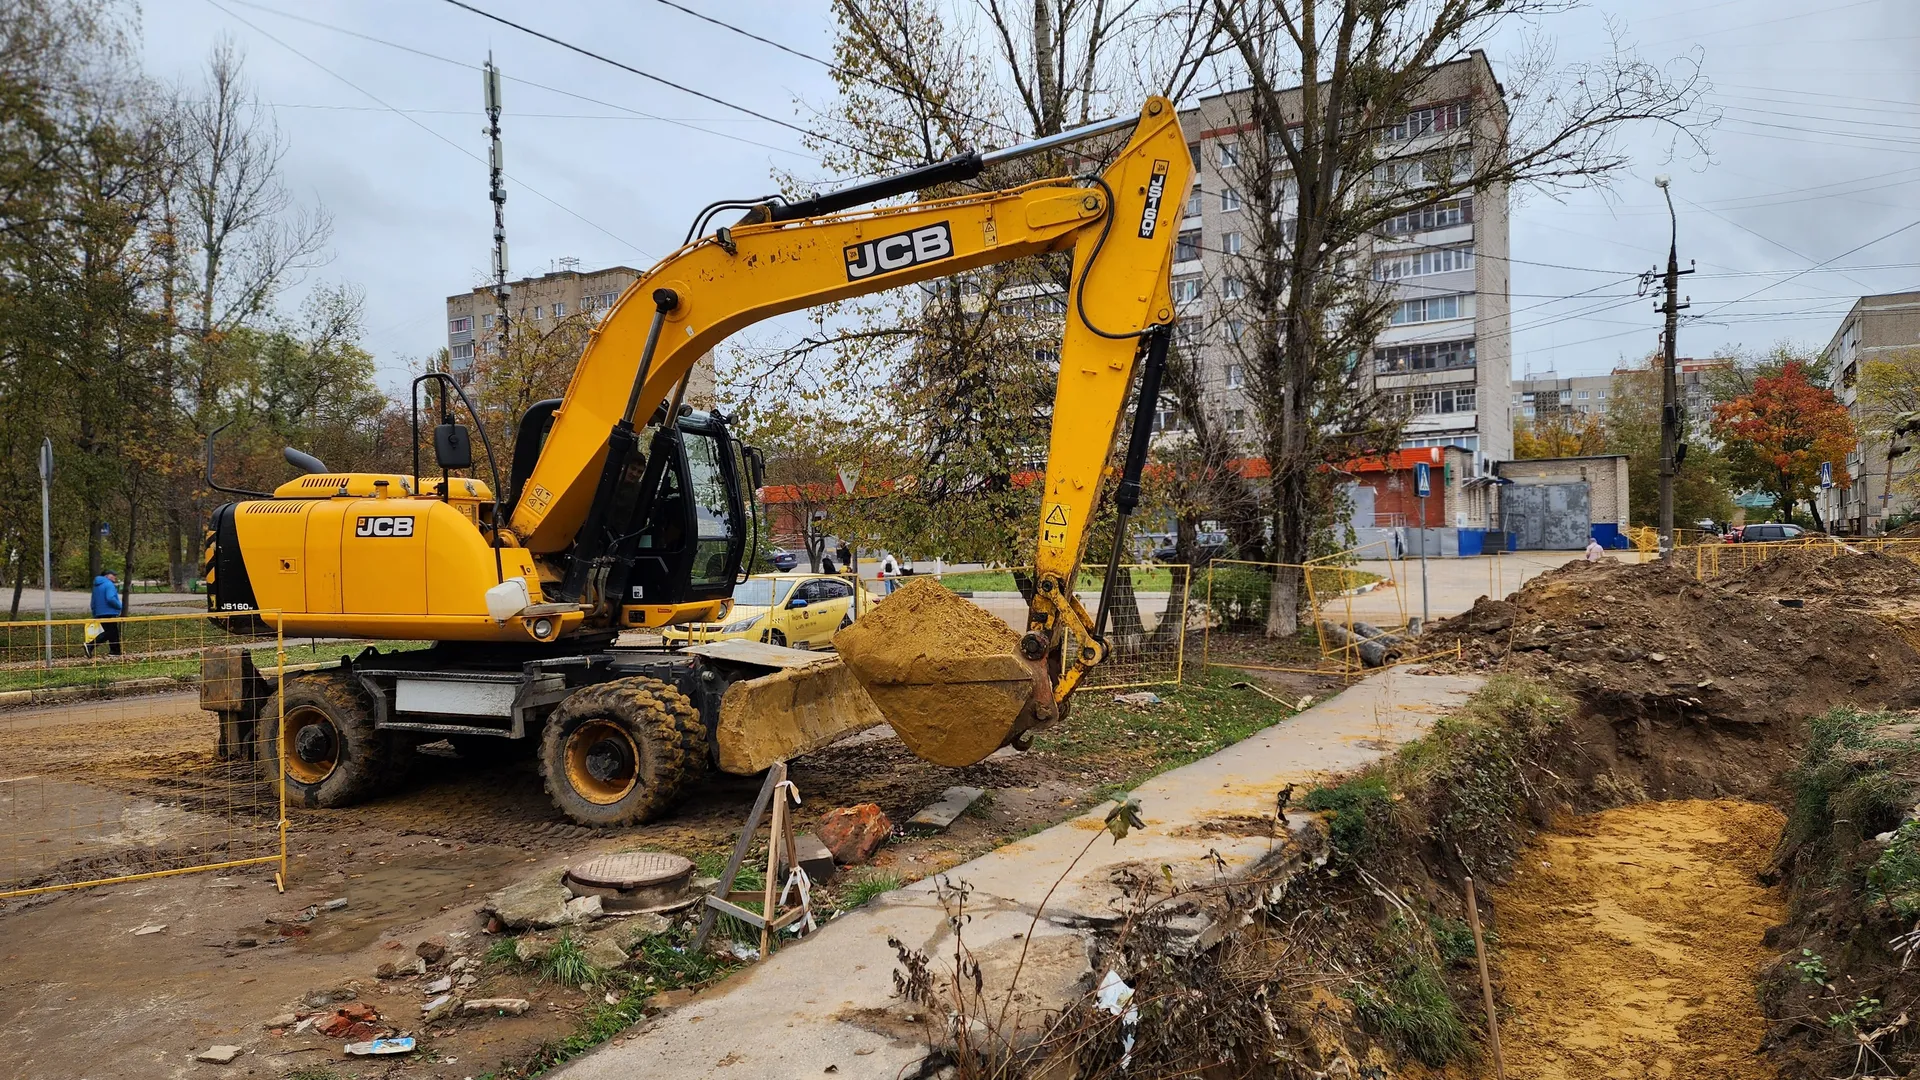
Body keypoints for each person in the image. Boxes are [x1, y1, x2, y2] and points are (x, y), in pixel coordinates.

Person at [90, 569, 123, 657]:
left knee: (113, 632)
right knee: (110, 632)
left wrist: (94, 612)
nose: (115, 577)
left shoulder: (96, 586)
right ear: (106, 576)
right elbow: (110, 598)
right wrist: (119, 606)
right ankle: (90, 645)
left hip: (99, 612)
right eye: (113, 575)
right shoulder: (109, 584)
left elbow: (93, 601)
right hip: (109, 611)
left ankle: (115, 651)